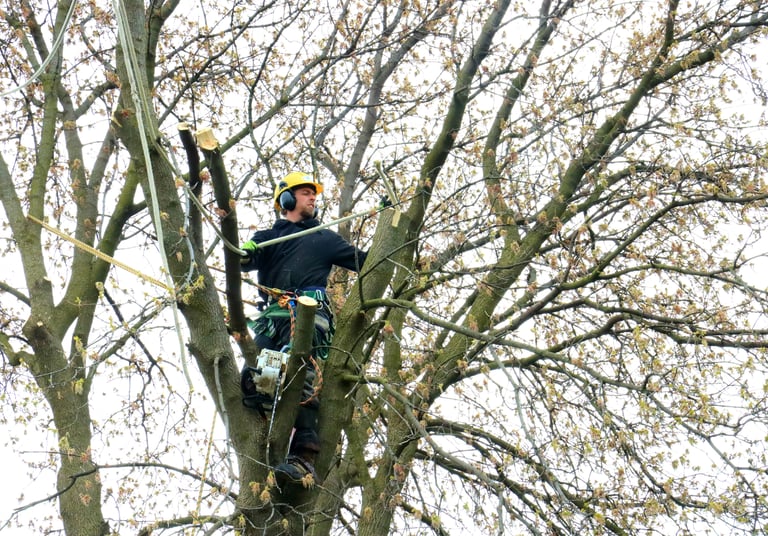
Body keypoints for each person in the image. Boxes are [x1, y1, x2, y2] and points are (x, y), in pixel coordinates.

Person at [239, 171, 368, 486]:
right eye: (306, 192)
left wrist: (392, 222)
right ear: (286, 199)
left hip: (309, 309)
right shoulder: (269, 237)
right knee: (257, 379)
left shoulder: (324, 238)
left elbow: (365, 261)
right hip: (273, 314)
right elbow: (243, 259)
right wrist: (246, 250)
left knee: (300, 371)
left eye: (314, 193)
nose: (313, 198)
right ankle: (270, 452)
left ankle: (304, 453)